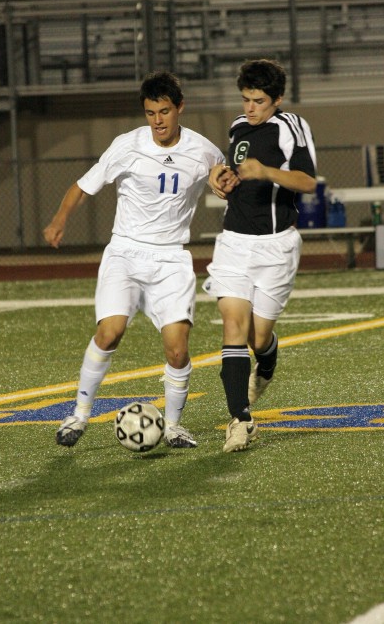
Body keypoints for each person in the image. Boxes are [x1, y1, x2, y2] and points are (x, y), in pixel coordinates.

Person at [44, 71, 224, 448]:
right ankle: (78, 415)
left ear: (180, 108)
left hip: (172, 258)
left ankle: (173, 426)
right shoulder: (127, 145)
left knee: (177, 350)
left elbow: (218, 180)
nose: (157, 120)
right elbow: (81, 186)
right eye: (149, 113)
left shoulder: (204, 150)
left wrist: (224, 186)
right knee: (110, 332)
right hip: (125, 252)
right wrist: (59, 219)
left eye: (164, 111)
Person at [204, 58, 317, 453]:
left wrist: (267, 171)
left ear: (278, 99)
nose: (250, 107)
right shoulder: (237, 126)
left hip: (276, 247)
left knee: (258, 336)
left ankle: (266, 361)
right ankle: (241, 420)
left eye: (258, 100)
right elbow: (233, 172)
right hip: (234, 241)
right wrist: (220, 180)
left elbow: (307, 181)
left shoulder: (291, 127)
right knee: (232, 325)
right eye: (246, 99)